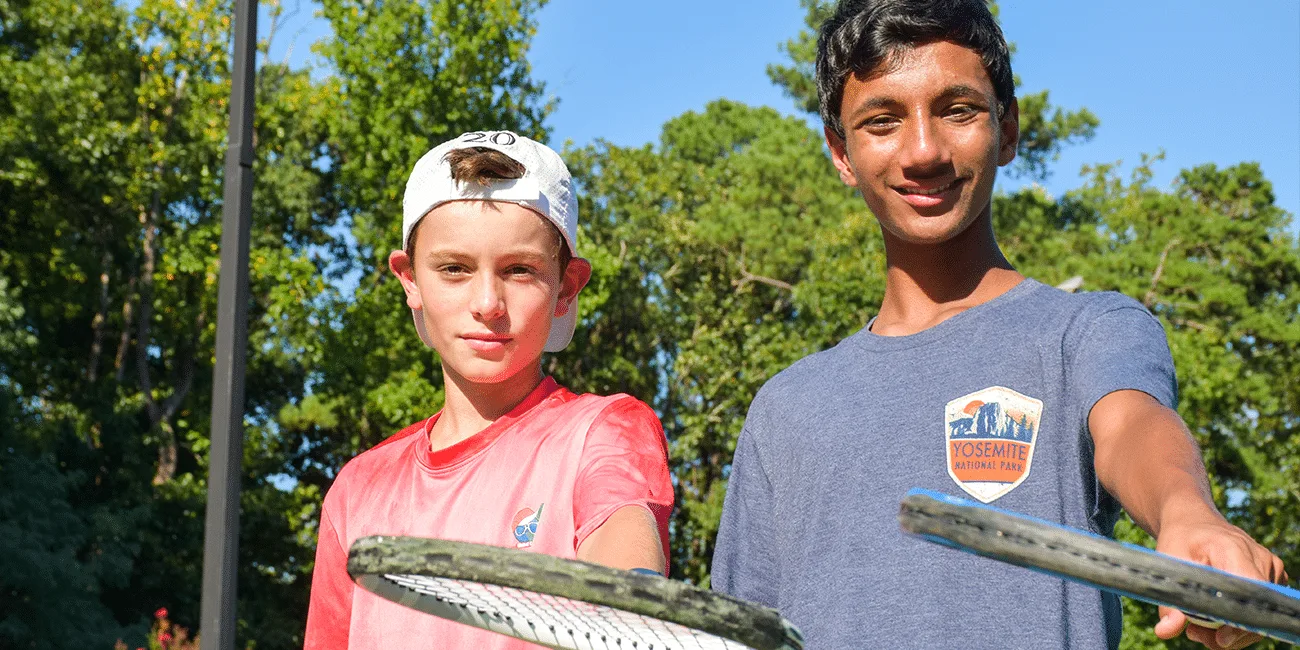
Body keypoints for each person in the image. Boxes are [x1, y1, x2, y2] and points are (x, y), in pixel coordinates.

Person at [710, 2, 1287, 649]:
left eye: (958, 110)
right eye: (882, 121)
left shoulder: (1085, 332)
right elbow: (739, 629)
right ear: (840, 153)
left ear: (1008, 130)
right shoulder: (785, 408)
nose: (923, 150)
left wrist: (1188, 513)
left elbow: (1132, 424)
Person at [304, 131, 674, 649]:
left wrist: (632, 601)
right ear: (409, 279)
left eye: (519, 270)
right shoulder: (357, 488)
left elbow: (626, 575)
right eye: (453, 268)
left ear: (567, 286)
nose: (487, 302)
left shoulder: (603, 431)